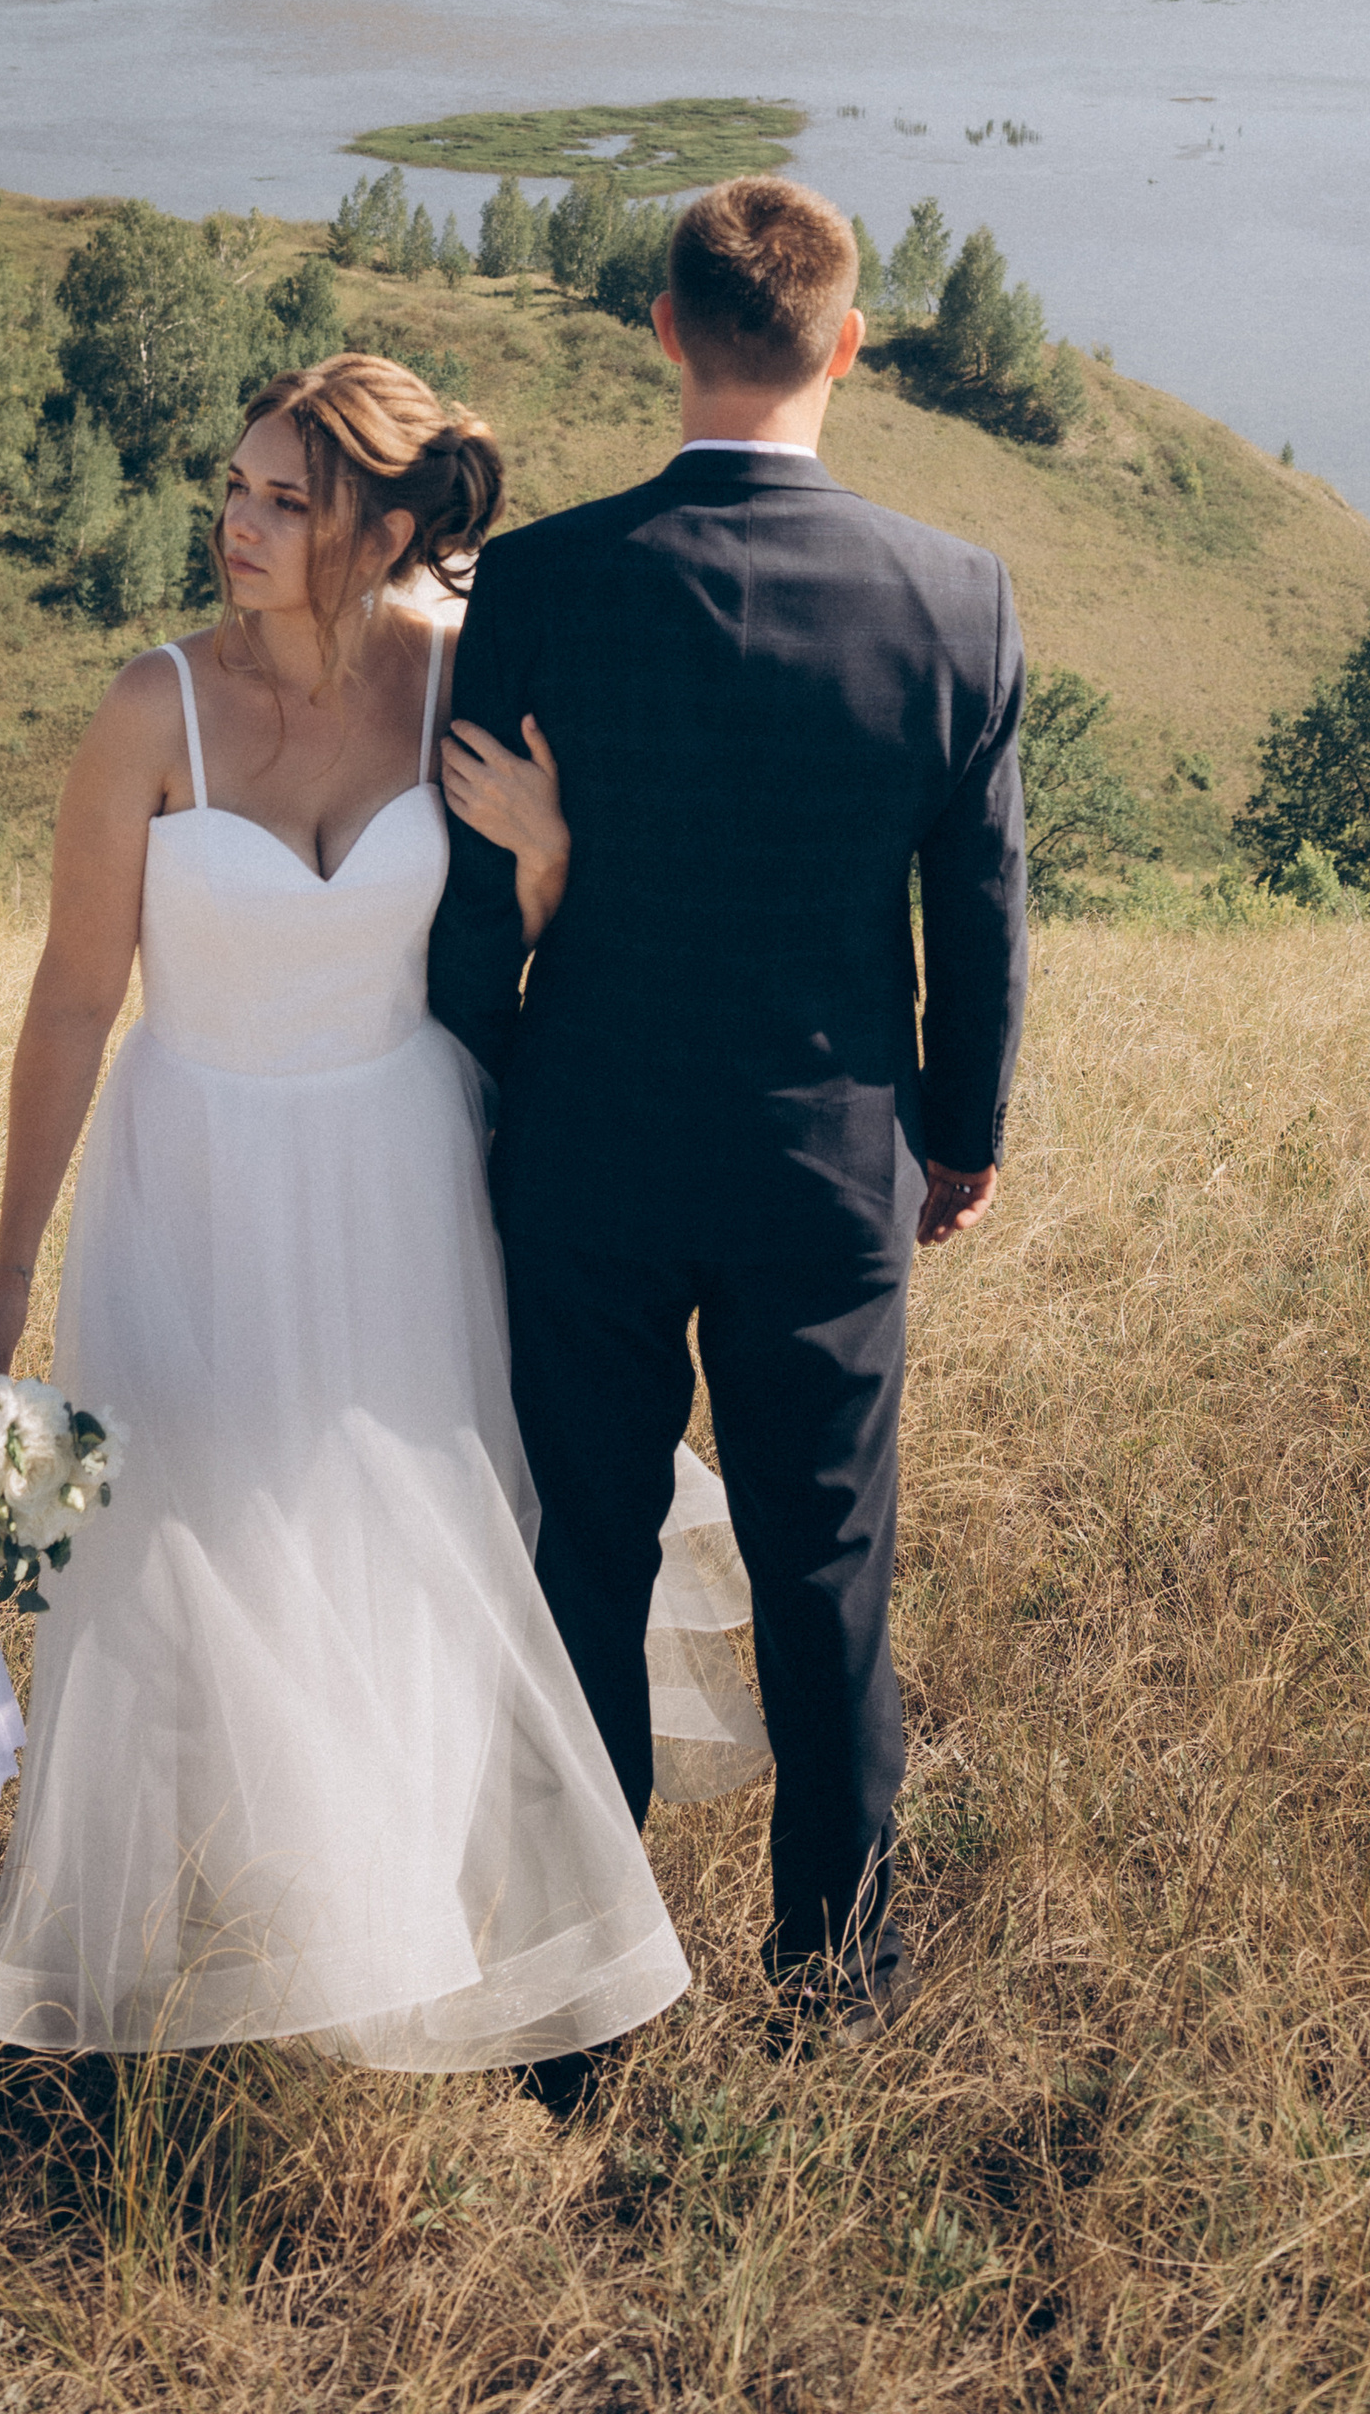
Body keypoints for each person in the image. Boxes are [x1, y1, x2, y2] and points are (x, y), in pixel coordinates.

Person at [0, 355, 752, 2070]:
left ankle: (389, 1924)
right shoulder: (149, 711)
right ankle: (231, 1927)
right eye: (232, 489)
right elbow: (75, 999)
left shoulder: (464, 675)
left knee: (408, 1542)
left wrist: (547, 869)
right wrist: (5, 1272)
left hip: (407, 1177)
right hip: (197, 1188)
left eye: (284, 500)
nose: (237, 524)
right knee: (200, 1547)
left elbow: (543, 937)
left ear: (380, 522)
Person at [430, 175, 1028, 2044]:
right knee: (826, 1570)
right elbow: (980, 912)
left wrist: (474, 1088)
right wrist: (961, 1135)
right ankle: (839, 1989)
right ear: (848, 343)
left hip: (584, 1154)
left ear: (668, 327)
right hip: (827, 1168)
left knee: (583, 1559)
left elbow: (469, 911)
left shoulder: (542, 585)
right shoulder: (954, 598)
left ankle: (591, 2002)